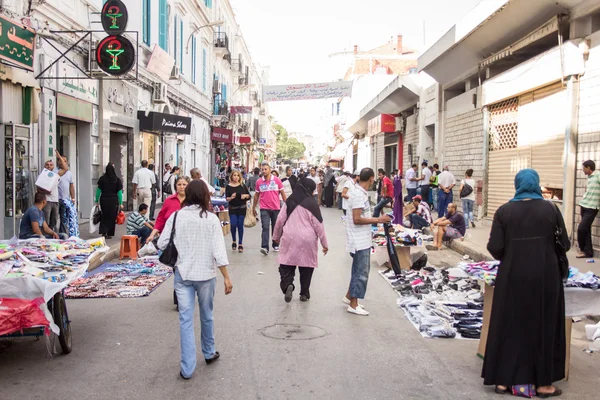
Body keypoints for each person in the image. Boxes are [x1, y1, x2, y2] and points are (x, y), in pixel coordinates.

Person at [482, 169, 569, 397]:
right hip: (545, 275)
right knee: (543, 324)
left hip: (513, 274)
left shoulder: (504, 211)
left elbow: (495, 248)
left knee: (510, 323)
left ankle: (502, 381)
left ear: (517, 184)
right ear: (537, 184)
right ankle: (543, 384)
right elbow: (565, 244)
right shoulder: (551, 209)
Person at [157, 180, 233, 380]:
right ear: (205, 196)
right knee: (207, 315)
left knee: (185, 320)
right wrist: (226, 277)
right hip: (206, 275)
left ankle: (187, 369)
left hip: (182, 274)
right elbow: (219, 251)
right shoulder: (211, 219)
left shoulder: (176, 217)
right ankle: (209, 352)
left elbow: (162, 242)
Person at [343, 168, 392, 316]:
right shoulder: (358, 194)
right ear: (371, 179)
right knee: (361, 272)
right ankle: (353, 303)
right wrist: (378, 219)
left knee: (358, 270)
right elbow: (357, 219)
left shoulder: (359, 193)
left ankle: (349, 296)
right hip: (359, 240)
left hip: (361, 238)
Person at [272, 178, 328, 302]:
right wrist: (325, 244)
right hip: (308, 239)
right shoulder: (312, 204)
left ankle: (288, 285)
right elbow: (319, 225)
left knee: (286, 264)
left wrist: (276, 237)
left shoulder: (290, 201)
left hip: (289, 237)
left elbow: (280, 220)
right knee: (306, 266)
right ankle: (304, 293)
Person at [252, 163, 287, 255]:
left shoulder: (277, 181)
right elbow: (256, 195)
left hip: (276, 208)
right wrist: (253, 207)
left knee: (276, 227)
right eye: (262, 169)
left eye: (265, 169)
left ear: (270, 170)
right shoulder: (259, 182)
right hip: (264, 208)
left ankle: (275, 244)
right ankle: (264, 247)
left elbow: (283, 193)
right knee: (265, 227)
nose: (264, 171)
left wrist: (287, 205)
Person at [147, 176, 191, 244]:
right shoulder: (169, 200)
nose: (181, 187)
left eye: (184, 184)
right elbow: (160, 219)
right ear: (175, 186)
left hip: (187, 238)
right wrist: (152, 234)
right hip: (169, 238)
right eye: (179, 184)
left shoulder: (192, 201)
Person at [577, 160, 600, 259]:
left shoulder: (598, 175)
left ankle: (582, 250)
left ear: (588, 167)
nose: (582, 170)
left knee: (581, 229)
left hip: (592, 207)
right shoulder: (589, 178)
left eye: (583, 168)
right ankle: (588, 252)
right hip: (584, 205)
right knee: (586, 229)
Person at [95, 163, 124, 239]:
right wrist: (121, 203)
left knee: (104, 215)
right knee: (112, 216)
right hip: (113, 200)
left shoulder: (102, 179)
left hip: (104, 199)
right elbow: (119, 193)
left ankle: (103, 231)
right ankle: (109, 233)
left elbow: (98, 191)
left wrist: (96, 200)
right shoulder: (117, 180)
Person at [226, 170, 250, 253]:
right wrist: (231, 197)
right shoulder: (228, 186)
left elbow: (249, 196)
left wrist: (245, 196)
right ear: (231, 176)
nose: (236, 177)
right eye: (234, 175)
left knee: (240, 225)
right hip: (232, 208)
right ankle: (234, 241)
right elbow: (226, 198)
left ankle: (240, 243)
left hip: (242, 208)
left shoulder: (243, 186)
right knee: (233, 224)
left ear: (240, 177)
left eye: (237, 175)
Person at [55, 154, 78, 237]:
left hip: (65, 200)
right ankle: (54, 235)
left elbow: (71, 186)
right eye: (61, 161)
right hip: (56, 200)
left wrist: (73, 198)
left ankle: (63, 236)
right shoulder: (55, 172)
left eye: (64, 161)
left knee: (64, 219)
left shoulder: (69, 174)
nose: (62, 162)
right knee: (54, 219)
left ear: (67, 162)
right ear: (58, 161)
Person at [39, 159, 60, 232]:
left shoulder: (56, 176)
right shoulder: (41, 176)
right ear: (44, 166)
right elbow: (38, 189)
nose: (49, 166)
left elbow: (65, 169)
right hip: (46, 201)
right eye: (47, 165)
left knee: (54, 221)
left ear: (53, 167)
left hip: (55, 200)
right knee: (46, 221)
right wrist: (46, 191)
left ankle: (51, 236)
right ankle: (44, 236)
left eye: (51, 165)